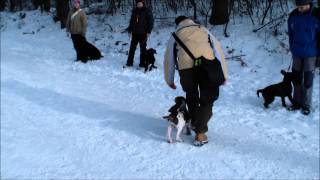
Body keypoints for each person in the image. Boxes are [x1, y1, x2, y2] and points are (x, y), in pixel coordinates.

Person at [164, 16, 228, 146]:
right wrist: (223, 74)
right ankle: (200, 132)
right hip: (207, 66)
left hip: (186, 70)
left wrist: (169, 79)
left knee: (191, 95)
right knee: (207, 98)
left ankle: (194, 122)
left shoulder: (175, 35)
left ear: (178, 24)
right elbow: (218, 50)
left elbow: (169, 59)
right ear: (190, 21)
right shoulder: (203, 30)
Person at [287, 0, 320, 115]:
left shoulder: (317, 15)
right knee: (296, 78)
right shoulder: (293, 15)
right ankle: (296, 102)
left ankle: (306, 105)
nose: (300, 9)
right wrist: (292, 47)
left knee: (308, 80)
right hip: (297, 53)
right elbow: (290, 33)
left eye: (302, 7)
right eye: (298, 7)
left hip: (311, 54)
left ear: (308, 4)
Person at [125, 0, 154, 67]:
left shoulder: (147, 11)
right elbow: (131, 21)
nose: (139, 5)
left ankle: (142, 63)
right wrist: (129, 30)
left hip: (143, 34)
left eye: (140, 3)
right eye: (138, 4)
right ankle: (129, 63)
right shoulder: (134, 11)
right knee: (132, 48)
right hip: (135, 33)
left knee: (143, 49)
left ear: (143, 4)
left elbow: (151, 22)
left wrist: (149, 31)